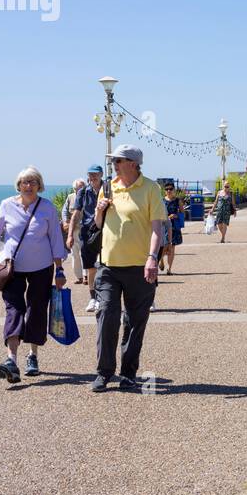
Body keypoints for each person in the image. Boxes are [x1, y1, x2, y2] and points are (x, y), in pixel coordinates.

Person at [0, 167, 66, 382]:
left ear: (39, 185)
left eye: (33, 182)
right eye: (25, 182)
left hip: (42, 267)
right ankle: (11, 359)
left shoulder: (46, 208)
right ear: (18, 185)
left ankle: (32, 355)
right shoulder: (7, 205)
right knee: (14, 309)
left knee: (36, 310)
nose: (29, 185)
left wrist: (60, 269)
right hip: (11, 267)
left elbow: (56, 239)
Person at [91, 144, 166, 392]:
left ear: (133, 163)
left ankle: (128, 373)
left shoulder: (150, 189)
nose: (114, 164)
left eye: (119, 160)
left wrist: (153, 258)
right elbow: (97, 224)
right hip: (109, 265)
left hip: (139, 266)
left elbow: (157, 228)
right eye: (114, 160)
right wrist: (100, 211)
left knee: (135, 322)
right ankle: (103, 372)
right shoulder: (107, 187)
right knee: (106, 316)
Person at [68, 165, 105, 311]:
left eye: (95, 174)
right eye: (90, 174)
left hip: (106, 231)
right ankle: (93, 298)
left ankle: (106, 298)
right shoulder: (83, 192)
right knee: (90, 267)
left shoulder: (108, 189)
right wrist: (70, 234)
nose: (93, 177)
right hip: (88, 232)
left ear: (101, 174)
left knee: (108, 266)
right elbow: (76, 214)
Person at [64, 179, 86, 283]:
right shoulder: (70, 197)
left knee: (84, 253)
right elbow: (64, 211)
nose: (81, 190)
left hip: (85, 230)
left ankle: (86, 276)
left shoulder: (88, 196)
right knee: (75, 254)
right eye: (78, 188)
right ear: (74, 189)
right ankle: (79, 277)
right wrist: (65, 222)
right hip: (73, 230)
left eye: (82, 187)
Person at [162, 182, 183, 273]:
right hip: (163, 227)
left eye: (171, 189)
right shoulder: (161, 201)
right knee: (162, 247)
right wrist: (166, 217)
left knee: (172, 247)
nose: (169, 191)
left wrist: (176, 215)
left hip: (174, 227)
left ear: (174, 190)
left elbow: (182, 213)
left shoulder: (178, 201)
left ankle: (169, 269)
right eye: (167, 189)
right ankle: (161, 260)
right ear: (165, 191)